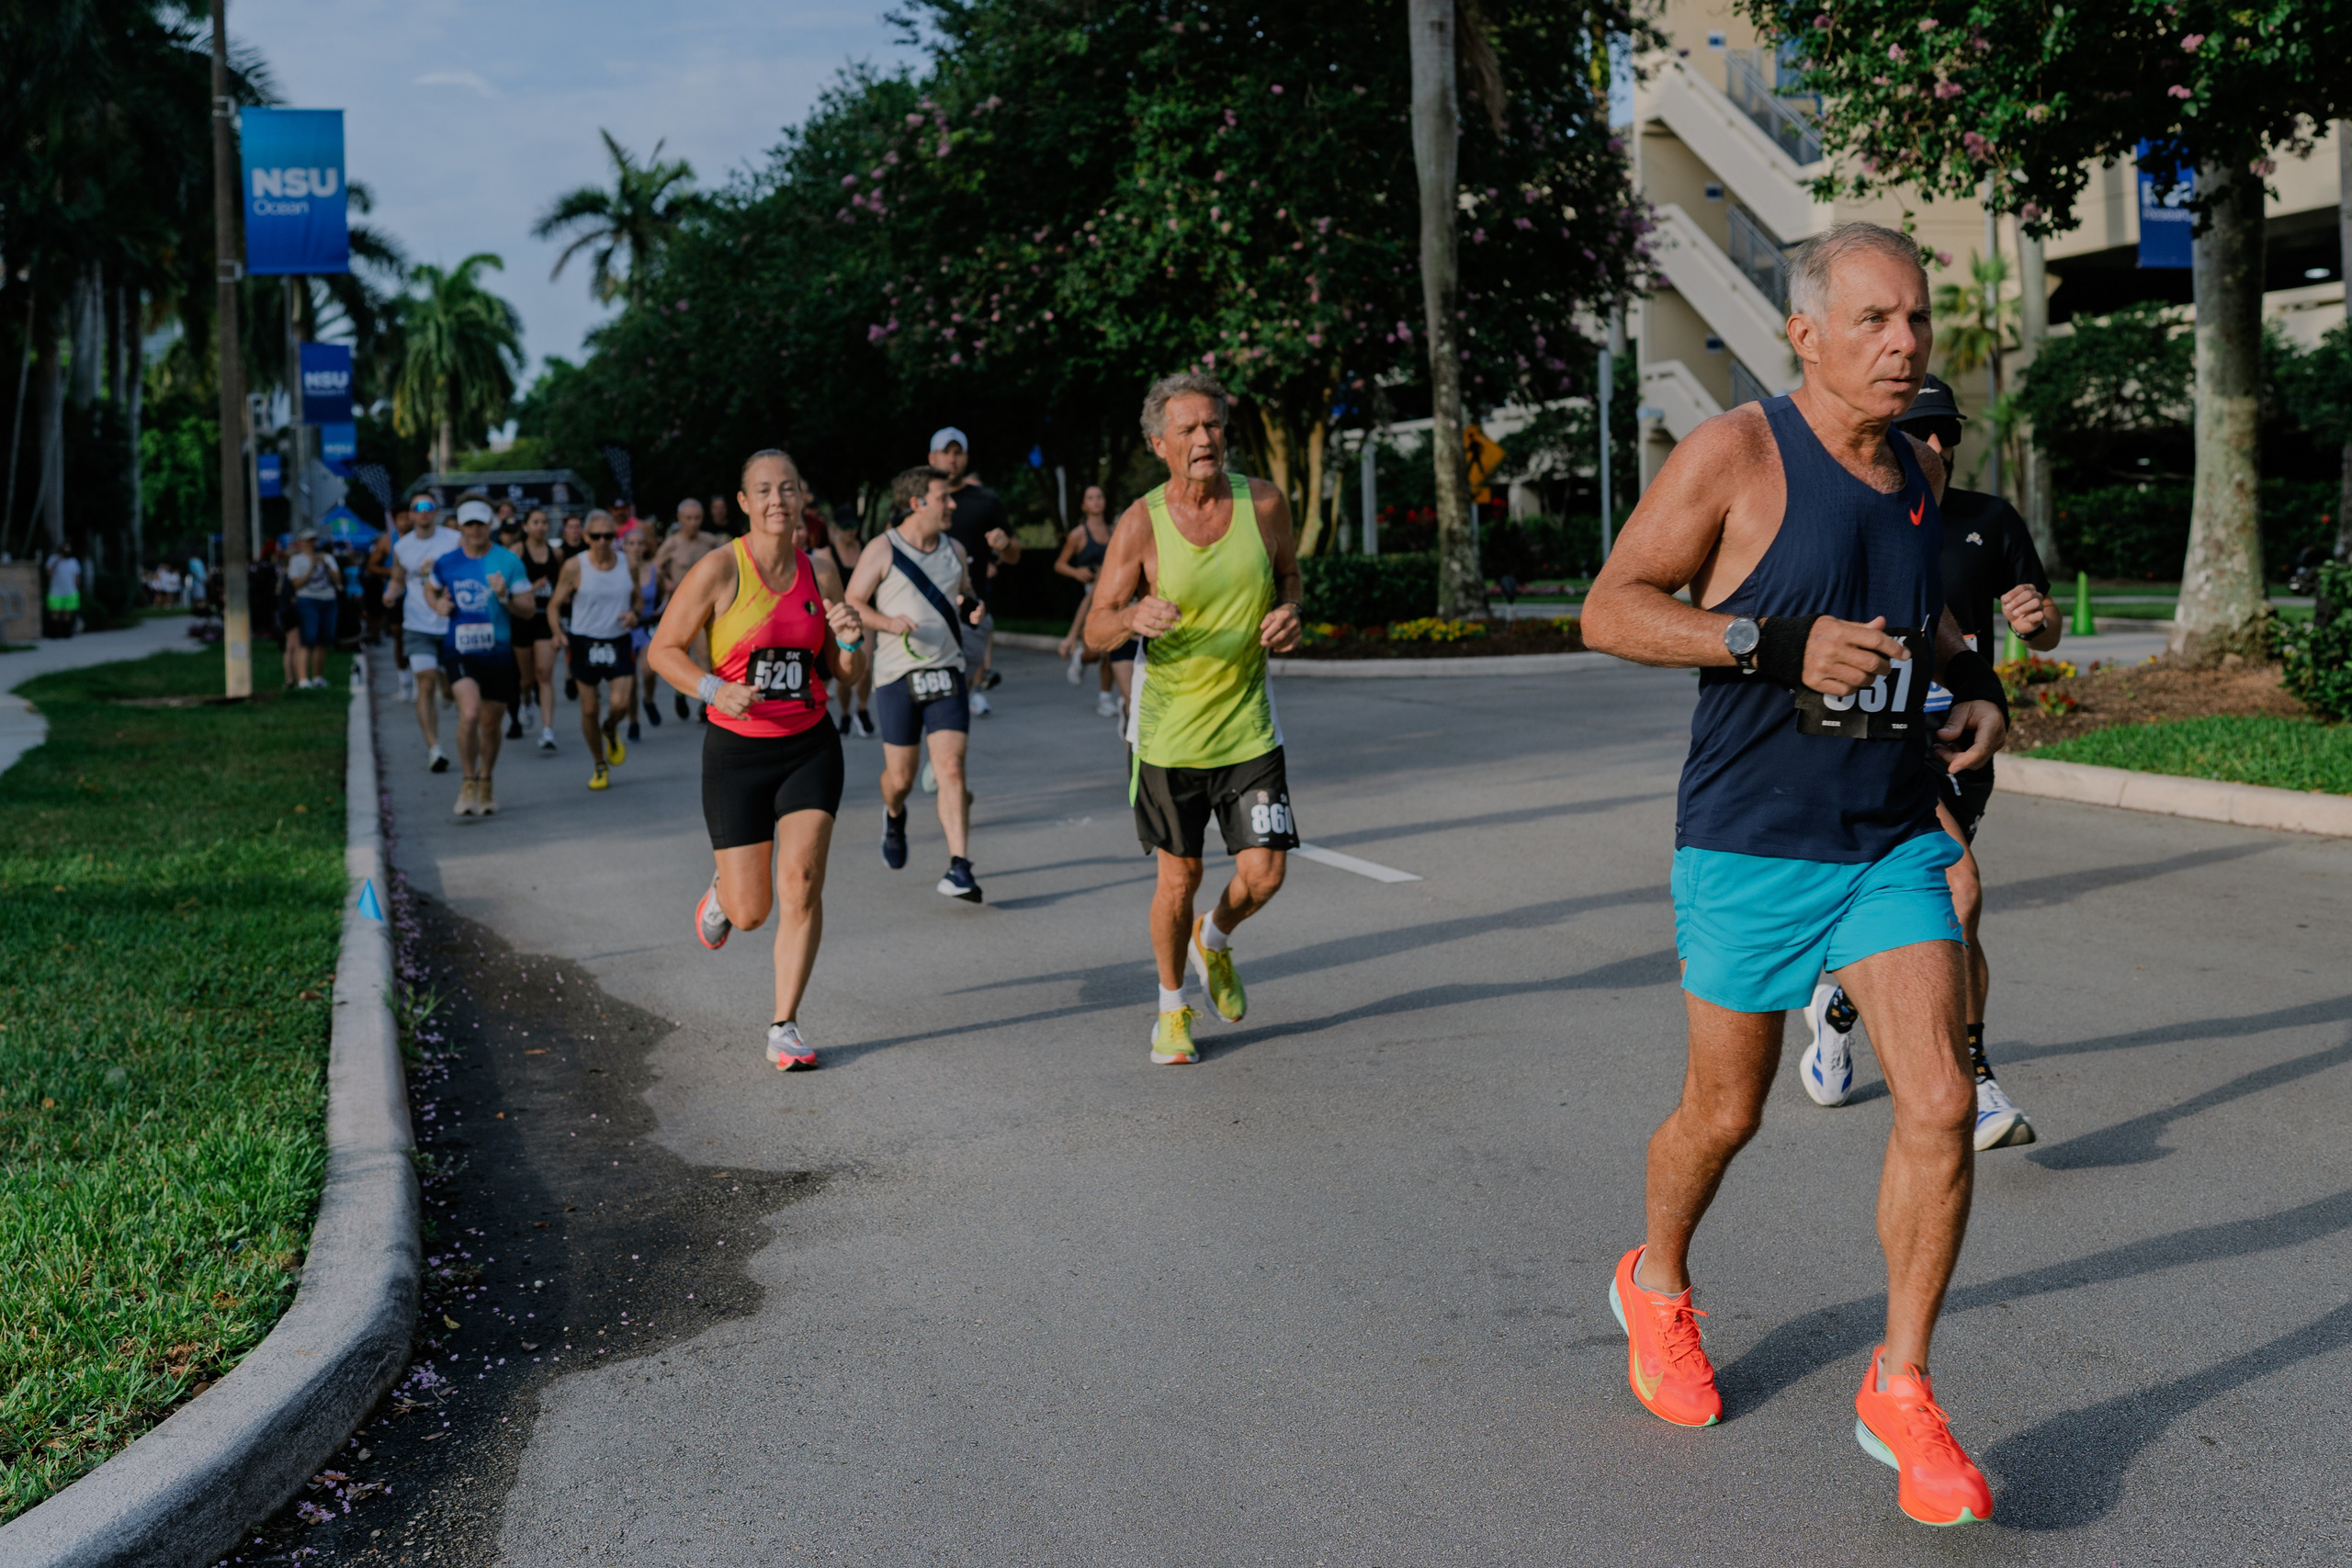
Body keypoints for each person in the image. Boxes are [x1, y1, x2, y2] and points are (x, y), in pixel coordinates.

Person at [1578, 222, 2010, 1528]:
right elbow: (1609, 606)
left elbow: (1923, 615)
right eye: (1875, 319)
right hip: (1750, 840)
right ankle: (1657, 1280)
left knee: (1937, 1096)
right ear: (1804, 333)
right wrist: (1771, 642)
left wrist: (1976, 689)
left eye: (1918, 320)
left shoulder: (1917, 476)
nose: (1904, 343)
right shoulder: (1739, 451)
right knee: (1726, 1111)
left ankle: (1903, 1380)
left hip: (1886, 831)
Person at [1799, 375, 2061, 1151]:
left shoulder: (1990, 519)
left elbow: (2038, 627)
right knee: (1961, 888)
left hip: (1961, 737)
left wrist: (2038, 623)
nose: (1938, 445)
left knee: (1941, 908)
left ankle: (1839, 1007)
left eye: (1948, 430)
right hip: (1878, 733)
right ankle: (1974, 1081)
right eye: (1922, 429)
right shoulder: (1853, 515)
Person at [1084, 373, 1305, 1067]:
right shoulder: (1140, 523)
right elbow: (1094, 628)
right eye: (1188, 430)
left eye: (1212, 425)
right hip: (1168, 736)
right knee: (1177, 879)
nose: (1206, 439)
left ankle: (1215, 935)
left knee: (1265, 874)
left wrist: (1292, 613)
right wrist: (1130, 617)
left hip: (1247, 726)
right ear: (1160, 443)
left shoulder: (1264, 503)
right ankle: (1171, 1008)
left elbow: (1291, 576)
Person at [644, 448, 867, 1071]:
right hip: (737, 751)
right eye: (764, 490)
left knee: (800, 882)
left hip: (809, 743)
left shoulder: (819, 572)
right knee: (750, 912)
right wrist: (715, 688)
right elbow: (663, 650)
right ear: (744, 503)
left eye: (788, 489)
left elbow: (846, 673)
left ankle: (785, 1024)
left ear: (802, 500)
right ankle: (721, 891)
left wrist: (850, 636)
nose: (777, 500)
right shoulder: (719, 570)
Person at [847, 466, 985, 902]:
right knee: (901, 777)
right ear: (916, 503)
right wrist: (887, 622)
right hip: (895, 678)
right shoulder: (882, 549)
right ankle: (893, 812)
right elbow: (852, 601)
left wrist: (972, 609)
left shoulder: (954, 549)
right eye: (943, 497)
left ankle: (959, 867)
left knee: (951, 769)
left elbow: (965, 593)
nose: (951, 504)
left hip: (946, 671)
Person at [422, 495, 536, 816]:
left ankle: (486, 780)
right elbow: (429, 588)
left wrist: (505, 596)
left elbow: (527, 610)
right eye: (468, 523)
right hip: (459, 650)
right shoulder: (447, 562)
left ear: (491, 525)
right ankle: (468, 781)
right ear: (459, 525)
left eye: (480, 523)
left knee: (490, 725)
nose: (474, 529)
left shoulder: (508, 562)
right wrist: (437, 606)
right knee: (469, 714)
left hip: (498, 652)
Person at [928, 427, 1022, 714]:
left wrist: (1004, 546)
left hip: (970, 611)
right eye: (946, 453)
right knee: (935, 702)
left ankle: (945, 751)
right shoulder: (918, 501)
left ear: (966, 458)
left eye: (957, 453)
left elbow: (1014, 553)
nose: (952, 459)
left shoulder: (985, 500)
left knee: (956, 699)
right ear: (932, 457)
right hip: (926, 613)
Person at [548, 511, 639, 790]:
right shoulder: (575, 566)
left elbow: (638, 601)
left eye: (608, 536)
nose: (602, 541)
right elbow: (553, 605)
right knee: (589, 708)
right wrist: (557, 633)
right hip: (584, 641)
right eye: (596, 536)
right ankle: (600, 764)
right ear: (586, 537)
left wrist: (634, 615)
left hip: (618, 640)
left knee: (621, 704)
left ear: (615, 537)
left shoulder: (628, 564)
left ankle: (610, 728)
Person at [383, 495, 460, 771]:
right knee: (424, 682)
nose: (424, 513)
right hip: (417, 624)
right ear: (411, 515)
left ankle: (447, 689)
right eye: (418, 509)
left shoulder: (453, 539)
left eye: (429, 508)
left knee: (451, 688)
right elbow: (398, 578)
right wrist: (391, 594)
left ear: (436, 513)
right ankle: (435, 749)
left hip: (451, 621)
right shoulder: (402, 546)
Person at [1054, 483, 1131, 719]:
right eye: (1091, 498)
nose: (1096, 501)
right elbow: (1059, 564)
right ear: (1084, 505)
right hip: (1088, 597)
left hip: (1112, 596)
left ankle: (1105, 698)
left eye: (1100, 496)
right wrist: (1077, 573)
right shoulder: (1078, 534)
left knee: (1111, 647)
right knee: (1095, 652)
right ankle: (1080, 657)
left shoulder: (1113, 531)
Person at [654, 497, 724, 720]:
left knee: (704, 653)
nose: (693, 523)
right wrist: (664, 580)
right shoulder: (672, 544)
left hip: (704, 605)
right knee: (680, 652)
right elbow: (655, 568)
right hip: (680, 606)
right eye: (688, 519)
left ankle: (705, 703)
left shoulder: (709, 541)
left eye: (697, 518)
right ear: (679, 519)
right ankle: (679, 692)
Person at [808, 502, 875, 736]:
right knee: (842, 672)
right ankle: (846, 713)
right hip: (835, 616)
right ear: (836, 528)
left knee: (864, 668)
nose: (850, 531)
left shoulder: (867, 551)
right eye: (845, 526)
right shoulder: (825, 555)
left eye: (853, 526)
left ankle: (863, 709)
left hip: (863, 614)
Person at [509, 508, 561, 750]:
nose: (541, 526)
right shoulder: (517, 552)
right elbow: (507, 587)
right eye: (536, 522)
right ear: (526, 525)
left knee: (544, 674)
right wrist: (532, 586)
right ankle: (526, 701)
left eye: (544, 522)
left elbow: (561, 587)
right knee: (526, 678)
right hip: (522, 617)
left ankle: (548, 730)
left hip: (546, 619)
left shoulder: (556, 553)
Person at [283, 528, 339, 688]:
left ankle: (318, 677)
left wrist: (325, 565)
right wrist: (311, 568)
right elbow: (296, 584)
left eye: (313, 540)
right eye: (307, 541)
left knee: (324, 640)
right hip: (307, 600)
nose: (311, 544)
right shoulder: (297, 560)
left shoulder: (327, 558)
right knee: (307, 639)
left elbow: (338, 580)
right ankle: (303, 679)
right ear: (301, 543)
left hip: (328, 599)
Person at [43, 547, 81, 638]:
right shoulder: (53, 559)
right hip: (55, 592)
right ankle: (54, 634)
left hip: (70, 591)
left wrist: (77, 587)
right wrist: (57, 561)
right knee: (55, 612)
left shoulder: (73, 561)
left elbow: (77, 576)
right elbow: (49, 573)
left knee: (67, 613)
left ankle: (67, 634)